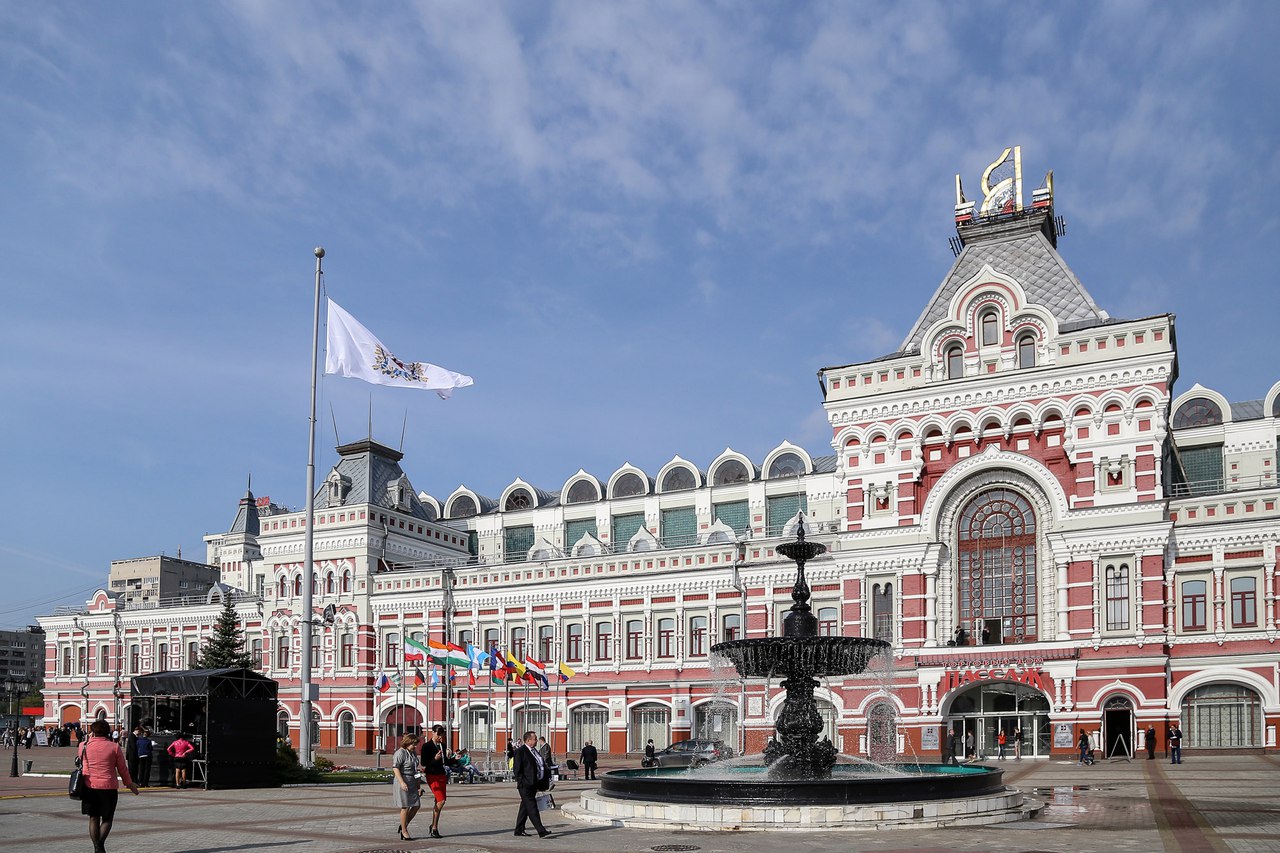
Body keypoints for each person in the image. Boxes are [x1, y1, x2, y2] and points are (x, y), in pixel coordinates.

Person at [80, 717, 139, 853]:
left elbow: (82, 762)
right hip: (109, 787)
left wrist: (89, 739)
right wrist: (130, 784)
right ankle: (99, 846)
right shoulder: (114, 747)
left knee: (93, 817)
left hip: (89, 787)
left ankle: (97, 847)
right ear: (108, 732)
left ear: (92, 731)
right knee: (107, 818)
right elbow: (122, 769)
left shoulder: (83, 746)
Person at [512, 729, 552, 838]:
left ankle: (519, 830)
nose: (536, 741)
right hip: (526, 785)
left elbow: (539, 764)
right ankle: (541, 830)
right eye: (534, 739)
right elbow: (517, 770)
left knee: (525, 807)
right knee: (532, 807)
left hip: (535, 784)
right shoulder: (520, 751)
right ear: (528, 740)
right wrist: (523, 782)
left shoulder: (534, 751)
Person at [420, 724, 449, 838]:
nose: (439, 737)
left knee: (439, 801)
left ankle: (434, 826)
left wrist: (456, 759)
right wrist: (434, 759)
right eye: (438, 734)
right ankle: (434, 827)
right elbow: (424, 763)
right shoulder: (426, 746)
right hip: (432, 775)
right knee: (441, 801)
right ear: (432, 732)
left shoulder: (442, 745)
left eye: (441, 735)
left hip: (441, 775)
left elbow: (446, 762)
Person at [392, 733, 421, 841]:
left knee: (416, 805)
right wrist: (401, 782)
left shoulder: (413, 753)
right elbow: (395, 768)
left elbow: (416, 770)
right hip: (403, 780)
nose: (415, 746)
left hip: (412, 781)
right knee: (405, 806)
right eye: (413, 744)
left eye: (416, 744)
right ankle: (404, 831)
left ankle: (403, 825)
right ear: (407, 742)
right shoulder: (400, 753)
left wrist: (419, 785)